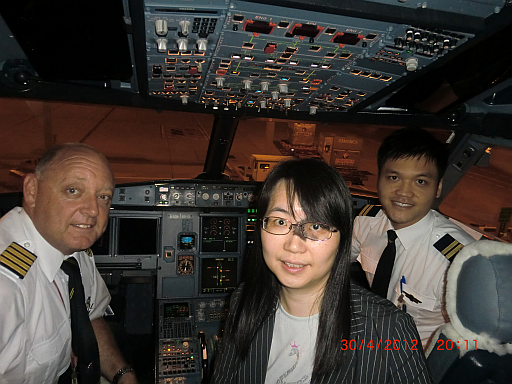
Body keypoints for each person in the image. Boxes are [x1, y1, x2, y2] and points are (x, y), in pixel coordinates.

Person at [212, 158, 432, 384]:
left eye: (316, 226)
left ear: (342, 238)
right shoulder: (244, 301)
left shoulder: (389, 330)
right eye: (279, 222)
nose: (294, 245)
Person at [0, 143, 138, 384]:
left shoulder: (75, 253)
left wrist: (123, 376)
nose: (93, 210)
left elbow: (90, 315)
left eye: (103, 196)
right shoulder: (7, 288)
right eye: (73, 191)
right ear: (32, 191)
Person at [351, 127, 477, 348]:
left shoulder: (457, 262)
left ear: (437, 188)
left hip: (416, 357)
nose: (404, 193)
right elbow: (333, 262)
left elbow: (470, 340)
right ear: (378, 179)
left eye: (420, 182)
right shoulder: (365, 223)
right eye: (394, 177)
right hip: (369, 339)